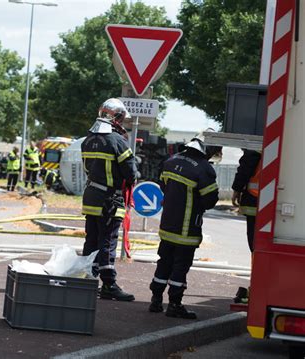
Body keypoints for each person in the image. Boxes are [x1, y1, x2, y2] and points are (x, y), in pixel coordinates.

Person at [149, 130, 221, 319]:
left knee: (164, 261)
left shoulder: (171, 161)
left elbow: (163, 187)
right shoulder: (204, 169)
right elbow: (210, 201)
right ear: (209, 149)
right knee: (180, 266)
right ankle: (174, 304)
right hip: (187, 228)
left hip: (167, 226)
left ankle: (156, 300)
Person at [81, 98, 137, 301]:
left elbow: (87, 169)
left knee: (92, 240)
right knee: (108, 241)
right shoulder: (117, 141)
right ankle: (109, 284)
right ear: (115, 117)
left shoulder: (87, 140)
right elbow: (131, 173)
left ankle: (87, 280)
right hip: (109, 199)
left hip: (91, 196)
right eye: (121, 118)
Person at [231, 149, 261, 303]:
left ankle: (257, 286)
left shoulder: (255, 147)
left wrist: (236, 189)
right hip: (271, 202)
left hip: (255, 201)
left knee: (256, 247)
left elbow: (245, 168)